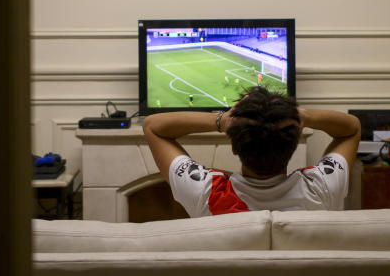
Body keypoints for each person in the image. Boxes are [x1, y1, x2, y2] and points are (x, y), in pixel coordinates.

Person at [142, 86, 361, 217]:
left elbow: (153, 126)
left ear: (235, 148)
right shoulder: (321, 187)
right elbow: (351, 129)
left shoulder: (205, 192)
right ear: (293, 146)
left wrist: (221, 120)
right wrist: (303, 115)